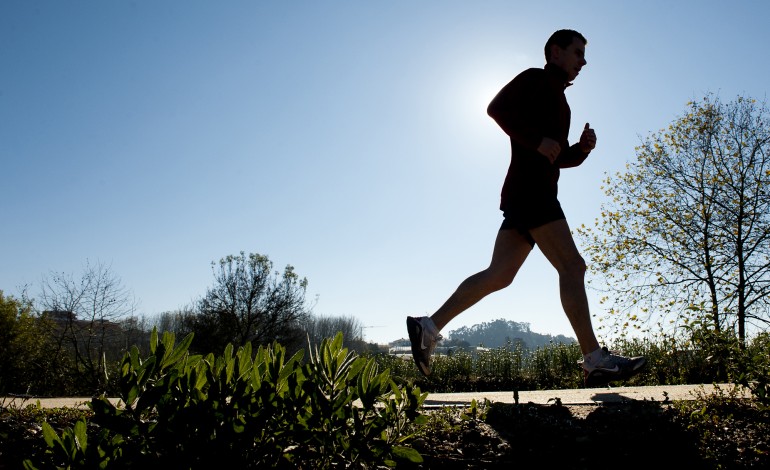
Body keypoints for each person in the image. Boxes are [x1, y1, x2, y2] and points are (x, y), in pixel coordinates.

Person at [406, 29, 646, 387]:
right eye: (578, 52)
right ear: (555, 52)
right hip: (533, 193)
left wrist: (579, 149)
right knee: (572, 265)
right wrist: (537, 141)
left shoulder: (561, 102)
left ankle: (428, 327)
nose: (584, 61)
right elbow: (495, 109)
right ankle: (595, 358)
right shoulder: (535, 79)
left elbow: (555, 157)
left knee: (499, 275)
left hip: (527, 193)